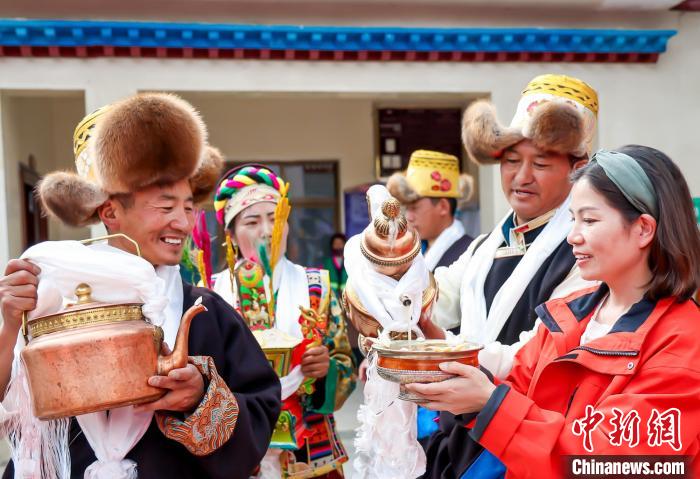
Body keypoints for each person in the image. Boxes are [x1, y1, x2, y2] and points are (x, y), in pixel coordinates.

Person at [0, 93, 281, 478]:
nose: (183, 223)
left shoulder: (205, 313)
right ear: (110, 212)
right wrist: (10, 325)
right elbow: (12, 408)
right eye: (165, 207)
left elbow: (262, 412)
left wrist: (200, 398)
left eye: (188, 207)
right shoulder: (49, 299)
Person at [407, 145, 700, 478]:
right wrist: (454, 377)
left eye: (589, 220)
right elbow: (515, 381)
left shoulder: (682, 342)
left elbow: (609, 464)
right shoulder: (571, 314)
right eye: (573, 219)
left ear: (643, 229)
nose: (573, 236)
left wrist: (489, 404)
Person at [416, 74, 601, 477]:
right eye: (512, 161)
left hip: (525, 431)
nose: (521, 177)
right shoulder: (487, 244)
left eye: (541, 164)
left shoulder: (585, 254)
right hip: (464, 422)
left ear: (578, 170)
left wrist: (443, 352)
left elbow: (536, 354)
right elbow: (438, 297)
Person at [210, 165, 356, 478]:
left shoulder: (316, 286)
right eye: (252, 221)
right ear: (231, 235)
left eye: (275, 218)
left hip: (311, 452)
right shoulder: (212, 293)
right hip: (239, 445)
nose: (267, 230)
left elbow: (346, 368)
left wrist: (325, 371)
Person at [387, 149, 475, 274]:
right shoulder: (416, 251)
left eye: (414, 208)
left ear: (443, 207)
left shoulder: (470, 254)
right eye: (407, 208)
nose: (408, 217)